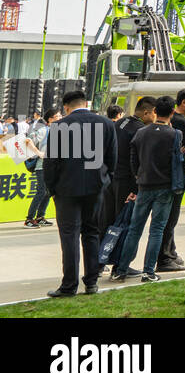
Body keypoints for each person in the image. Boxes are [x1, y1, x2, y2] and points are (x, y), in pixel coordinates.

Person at [42, 89, 117, 297]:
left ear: (66, 107)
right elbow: (112, 158)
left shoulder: (59, 126)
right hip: (96, 188)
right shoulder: (107, 124)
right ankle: (91, 282)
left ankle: (69, 285)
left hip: (66, 189)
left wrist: (52, 188)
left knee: (69, 236)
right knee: (92, 233)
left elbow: (51, 163)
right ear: (86, 103)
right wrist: (105, 180)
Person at [111, 96, 180, 283]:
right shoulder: (175, 134)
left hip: (143, 186)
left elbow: (134, 161)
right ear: (172, 113)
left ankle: (121, 269)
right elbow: (176, 162)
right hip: (165, 188)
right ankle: (149, 272)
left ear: (155, 111)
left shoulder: (141, 132)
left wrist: (137, 181)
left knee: (134, 229)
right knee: (157, 230)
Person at [156, 87, 185, 272]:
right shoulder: (182, 122)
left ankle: (171, 252)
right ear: (183, 102)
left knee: (165, 217)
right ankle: (164, 258)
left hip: (161, 175)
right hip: (176, 176)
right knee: (170, 218)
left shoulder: (166, 122)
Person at [99, 96, 155, 235]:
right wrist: (136, 188)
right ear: (147, 112)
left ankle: (102, 252)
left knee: (106, 218)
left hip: (110, 177)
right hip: (126, 181)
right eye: (155, 113)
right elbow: (140, 161)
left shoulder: (120, 122)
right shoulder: (141, 130)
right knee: (122, 220)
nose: (156, 117)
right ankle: (116, 254)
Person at [23, 108, 58, 228]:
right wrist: (39, 153)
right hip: (41, 167)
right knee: (41, 192)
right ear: (50, 119)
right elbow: (27, 141)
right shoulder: (44, 130)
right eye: (57, 116)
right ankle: (29, 219)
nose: (60, 118)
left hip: (51, 167)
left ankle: (40, 217)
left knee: (48, 193)